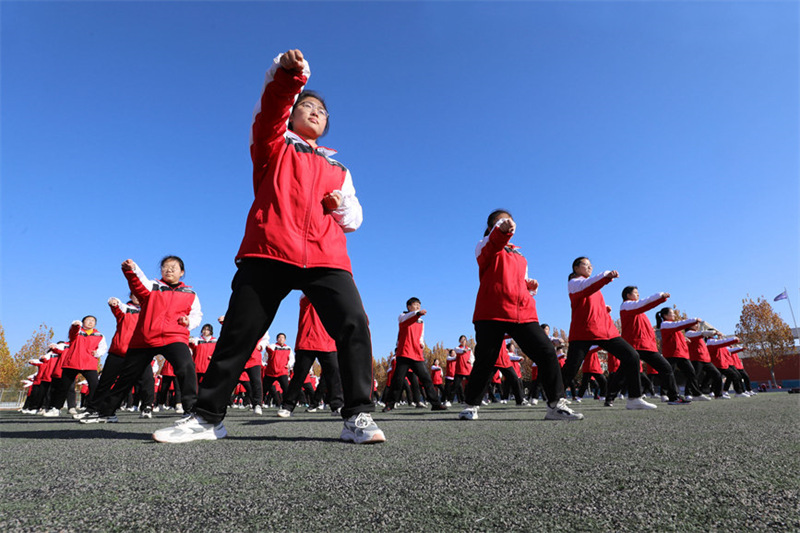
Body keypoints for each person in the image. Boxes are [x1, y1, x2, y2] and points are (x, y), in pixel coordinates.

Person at [152, 49, 382, 444]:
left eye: (322, 111)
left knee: (354, 325)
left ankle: (358, 416)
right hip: (270, 249)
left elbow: (354, 220)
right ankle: (207, 418)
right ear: (292, 114)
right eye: (307, 106)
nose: (315, 112)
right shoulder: (273, 144)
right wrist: (290, 78)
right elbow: (271, 109)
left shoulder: (339, 169)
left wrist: (340, 205)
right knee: (239, 333)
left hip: (326, 256)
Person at [459, 210, 582, 421]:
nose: (507, 223)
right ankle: (471, 405)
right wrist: (502, 231)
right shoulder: (484, 245)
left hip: (522, 311)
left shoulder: (520, 255)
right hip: (492, 310)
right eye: (501, 221)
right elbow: (494, 244)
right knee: (486, 359)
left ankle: (556, 405)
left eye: (509, 220)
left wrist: (530, 287)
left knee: (546, 352)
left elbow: (519, 281)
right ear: (490, 227)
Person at [81, 256, 201, 423]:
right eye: (165, 266)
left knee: (186, 368)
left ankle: (191, 411)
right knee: (127, 376)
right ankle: (106, 412)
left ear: (182, 272)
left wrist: (189, 322)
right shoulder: (153, 286)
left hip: (175, 336)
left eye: (173, 267)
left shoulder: (190, 294)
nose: (169, 269)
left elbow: (196, 315)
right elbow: (138, 283)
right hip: (145, 337)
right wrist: (131, 270)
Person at [562, 257, 656, 410]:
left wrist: (604, 309)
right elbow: (586, 287)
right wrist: (605, 275)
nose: (590, 267)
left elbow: (591, 304)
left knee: (632, 356)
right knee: (571, 368)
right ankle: (555, 398)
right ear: (576, 268)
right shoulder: (574, 283)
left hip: (604, 330)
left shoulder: (592, 285)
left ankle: (635, 398)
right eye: (586, 265)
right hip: (583, 331)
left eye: (591, 265)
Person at [616, 286, 693, 405]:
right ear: (628, 295)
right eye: (635, 293)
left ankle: (673, 397)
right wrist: (659, 297)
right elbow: (644, 303)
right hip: (635, 345)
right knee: (623, 373)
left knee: (666, 368)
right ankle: (614, 397)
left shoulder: (639, 312)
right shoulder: (627, 305)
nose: (638, 295)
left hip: (646, 346)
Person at [277, 294, 344, 417]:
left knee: (334, 376)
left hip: (328, 343)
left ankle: (337, 406)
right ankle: (287, 406)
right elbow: (306, 295)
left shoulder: (333, 303)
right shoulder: (307, 301)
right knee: (298, 376)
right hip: (307, 343)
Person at [383, 298, 447, 412]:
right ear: (409, 307)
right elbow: (409, 317)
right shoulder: (403, 316)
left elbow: (421, 335)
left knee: (426, 379)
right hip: (404, 353)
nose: (418, 307)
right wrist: (417, 313)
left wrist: (422, 343)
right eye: (415, 304)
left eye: (419, 305)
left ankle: (436, 404)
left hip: (416, 354)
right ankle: (390, 404)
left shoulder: (421, 321)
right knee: (398, 380)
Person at [43, 316, 107, 417]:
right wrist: (75, 326)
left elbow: (103, 347)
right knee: (63, 387)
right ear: (83, 322)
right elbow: (72, 333)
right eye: (88, 320)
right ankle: (56, 408)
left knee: (94, 386)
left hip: (89, 364)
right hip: (72, 363)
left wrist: (98, 353)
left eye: (93, 321)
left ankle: (93, 409)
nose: (90, 322)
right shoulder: (77, 332)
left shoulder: (99, 335)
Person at [655, 308, 704, 400]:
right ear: (665, 316)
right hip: (671, 353)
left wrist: (685, 340)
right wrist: (693, 320)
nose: (674, 315)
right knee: (669, 373)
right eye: (672, 313)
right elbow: (677, 325)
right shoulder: (665, 324)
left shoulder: (674, 327)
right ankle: (664, 394)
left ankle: (696, 394)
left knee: (691, 372)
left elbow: (677, 337)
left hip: (681, 354)